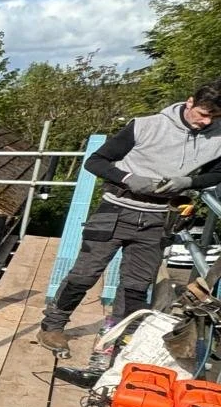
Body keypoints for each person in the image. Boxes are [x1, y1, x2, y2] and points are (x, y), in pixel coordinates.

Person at [36, 79, 221, 356]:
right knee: (84, 275)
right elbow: (95, 161)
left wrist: (188, 182)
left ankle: (119, 336)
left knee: (136, 285)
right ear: (190, 102)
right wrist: (128, 179)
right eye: (203, 114)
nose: (206, 122)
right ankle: (52, 327)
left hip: (159, 217)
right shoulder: (145, 126)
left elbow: (217, 174)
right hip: (116, 209)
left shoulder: (218, 138)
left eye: (215, 117)